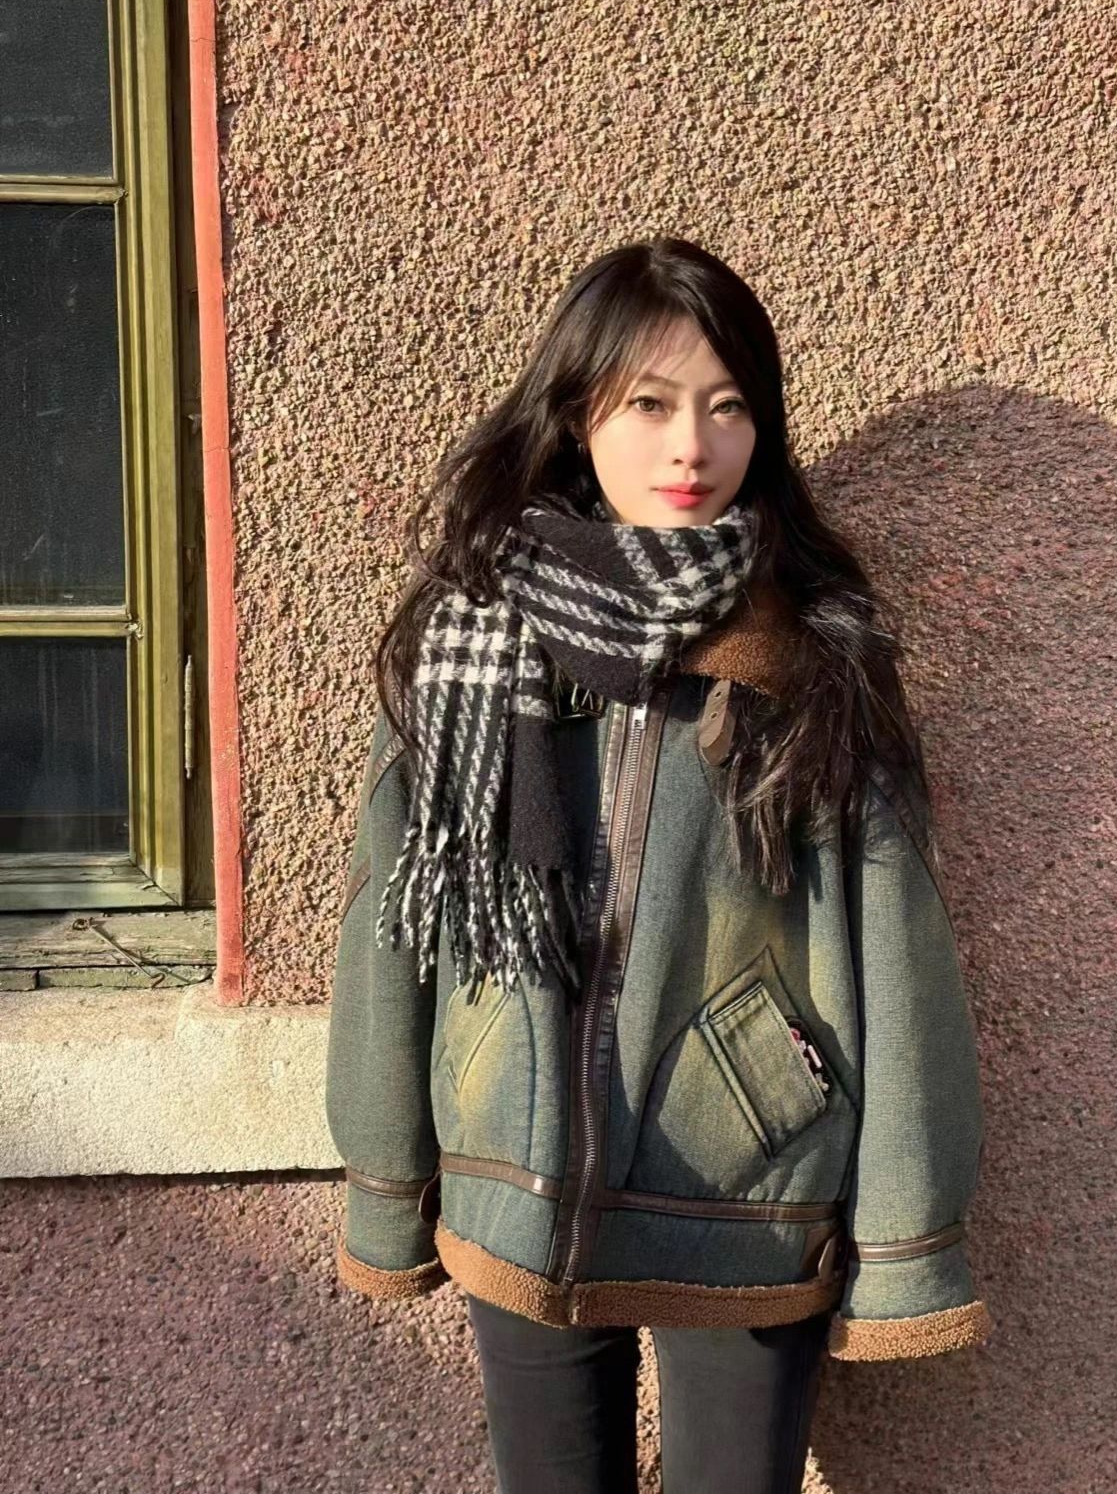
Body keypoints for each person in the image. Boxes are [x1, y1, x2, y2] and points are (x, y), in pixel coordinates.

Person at [325, 236, 992, 1494]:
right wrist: (390, 1174)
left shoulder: (813, 658)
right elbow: (389, 925)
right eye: (650, 404)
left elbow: (899, 952)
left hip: (744, 1192)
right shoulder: (467, 634)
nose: (692, 445)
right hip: (515, 1183)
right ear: (579, 413)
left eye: (728, 407)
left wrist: (907, 1240)